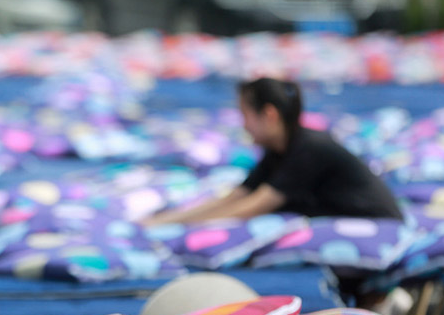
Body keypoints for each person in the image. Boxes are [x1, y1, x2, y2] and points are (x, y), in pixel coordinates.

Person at [144, 77, 403, 226]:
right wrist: (166, 219)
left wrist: (181, 228)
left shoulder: (309, 150)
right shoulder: (280, 150)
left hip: (377, 223)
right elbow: (236, 197)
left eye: (245, 114)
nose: (243, 124)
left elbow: (252, 207)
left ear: (269, 115)